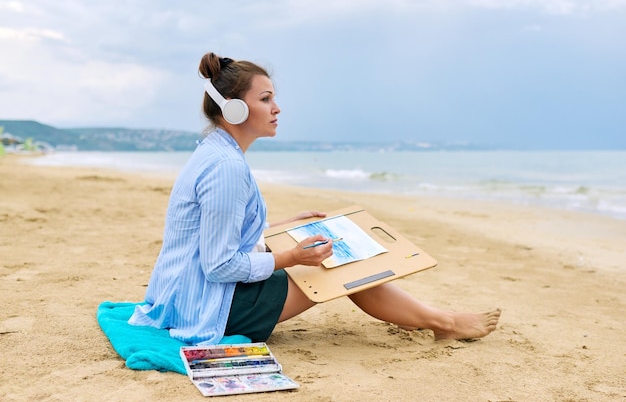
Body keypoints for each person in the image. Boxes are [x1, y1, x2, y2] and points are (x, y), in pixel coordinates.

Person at [129, 52, 501, 345]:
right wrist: (291, 257)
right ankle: (444, 322)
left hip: (184, 295)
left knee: (331, 252)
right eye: (266, 98)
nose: (277, 108)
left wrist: (284, 225)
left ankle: (423, 317)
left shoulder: (216, 152)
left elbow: (217, 232)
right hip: (210, 308)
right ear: (235, 109)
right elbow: (219, 265)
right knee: (341, 263)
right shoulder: (226, 168)